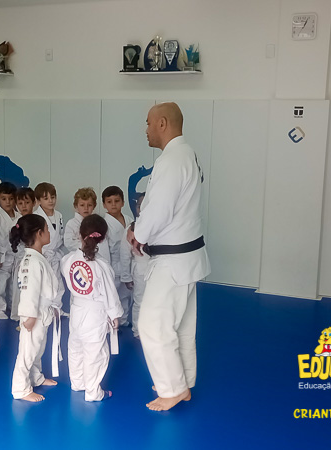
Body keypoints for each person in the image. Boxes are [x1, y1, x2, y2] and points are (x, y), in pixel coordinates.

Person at [127, 102, 210, 411]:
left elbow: (159, 208)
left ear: (162, 123)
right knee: (182, 328)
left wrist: (138, 234)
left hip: (173, 261)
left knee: (152, 325)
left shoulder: (173, 159)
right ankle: (183, 382)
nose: (146, 129)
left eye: (148, 123)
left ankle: (172, 389)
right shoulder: (186, 154)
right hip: (186, 258)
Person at [61, 214, 123, 402]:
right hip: (95, 313)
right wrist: (115, 315)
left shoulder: (68, 260)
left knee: (75, 348)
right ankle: (93, 392)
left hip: (76, 309)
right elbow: (110, 293)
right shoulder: (102, 266)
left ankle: (77, 382)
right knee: (95, 353)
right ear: (102, 239)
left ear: (79, 234)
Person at [10, 214, 61, 402]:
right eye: (47, 229)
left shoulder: (37, 258)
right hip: (33, 313)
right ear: (39, 233)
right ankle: (20, 389)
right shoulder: (32, 261)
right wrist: (29, 315)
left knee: (38, 349)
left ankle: (36, 377)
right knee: (27, 352)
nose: (49, 232)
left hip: (42, 312)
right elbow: (29, 290)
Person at [101, 186, 133, 327]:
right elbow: (103, 250)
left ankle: (123, 320)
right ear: (104, 205)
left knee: (125, 295)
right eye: (109, 202)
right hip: (112, 264)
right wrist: (106, 269)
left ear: (123, 202)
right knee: (112, 296)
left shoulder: (129, 220)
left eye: (117, 201)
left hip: (128, 263)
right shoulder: (104, 224)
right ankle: (110, 323)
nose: (113, 204)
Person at [0, 182, 20, 319]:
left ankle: (14, 306)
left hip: (17, 255)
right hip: (2, 256)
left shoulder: (19, 217)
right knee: (0, 283)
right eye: (4, 199)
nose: (8, 202)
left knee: (15, 283)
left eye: (11, 199)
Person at [119, 193, 150, 338]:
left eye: (146, 205)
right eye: (139, 206)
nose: (142, 208)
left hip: (158, 269)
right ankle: (138, 330)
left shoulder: (159, 227)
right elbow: (125, 255)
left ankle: (152, 328)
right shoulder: (131, 229)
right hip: (141, 270)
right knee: (140, 300)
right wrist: (126, 276)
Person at [33, 182, 67, 309]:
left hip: (55, 254)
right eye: (46, 198)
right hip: (43, 254)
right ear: (38, 201)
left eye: (52, 197)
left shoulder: (59, 215)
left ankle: (57, 308)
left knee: (58, 283)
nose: (50, 201)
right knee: (43, 284)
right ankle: (43, 309)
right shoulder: (36, 217)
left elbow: (61, 234)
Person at [9, 187, 36, 323]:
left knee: (34, 290)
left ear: (34, 203)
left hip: (35, 262)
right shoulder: (16, 223)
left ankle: (32, 314)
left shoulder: (38, 221)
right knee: (20, 290)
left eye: (27, 202)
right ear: (16, 205)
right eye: (20, 203)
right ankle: (18, 315)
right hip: (22, 261)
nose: (24, 206)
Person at [63, 188, 108, 262]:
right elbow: (68, 243)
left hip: (96, 257)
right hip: (78, 258)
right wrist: (88, 246)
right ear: (76, 206)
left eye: (89, 205)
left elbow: (103, 243)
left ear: (94, 206)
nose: (86, 208)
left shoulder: (98, 223)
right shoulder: (71, 223)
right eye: (82, 205)